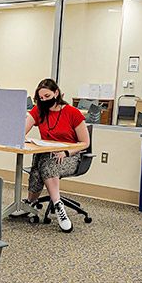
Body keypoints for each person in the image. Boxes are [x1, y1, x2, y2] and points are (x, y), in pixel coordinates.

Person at [24, 78, 90, 232]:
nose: (44, 100)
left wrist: (66, 152)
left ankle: (52, 205)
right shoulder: (39, 110)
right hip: (46, 155)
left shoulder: (72, 112)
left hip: (70, 157)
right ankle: (34, 203)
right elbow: (22, 130)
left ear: (56, 93)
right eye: (41, 98)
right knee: (43, 161)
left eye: (47, 96)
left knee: (43, 165)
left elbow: (85, 142)